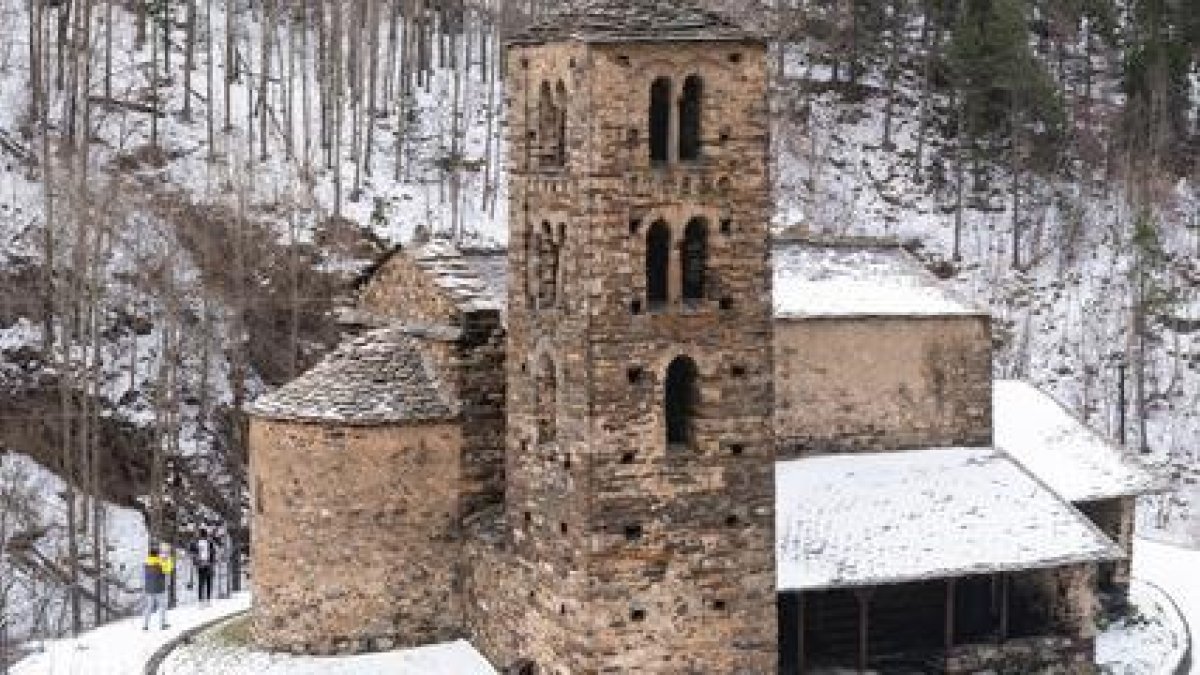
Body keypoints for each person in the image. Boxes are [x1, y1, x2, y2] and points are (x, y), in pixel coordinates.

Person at [142, 543, 173, 630]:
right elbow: (168, 570)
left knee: (149, 606)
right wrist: (168, 559)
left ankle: (145, 625)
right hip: (159, 588)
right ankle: (162, 624)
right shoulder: (160, 563)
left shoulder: (146, 563)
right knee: (162, 606)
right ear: (157, 554)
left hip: (149, 588)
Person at [189, 527, 221, 604]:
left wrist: (195, 561)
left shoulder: (196, 542)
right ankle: (207, 600)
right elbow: (213, 553)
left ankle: (201, 600)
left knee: (201, 582)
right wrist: (213, 562)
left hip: (202, 564)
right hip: (207, 564)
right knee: (208, 582)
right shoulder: (209, 542)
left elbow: (192, 552)